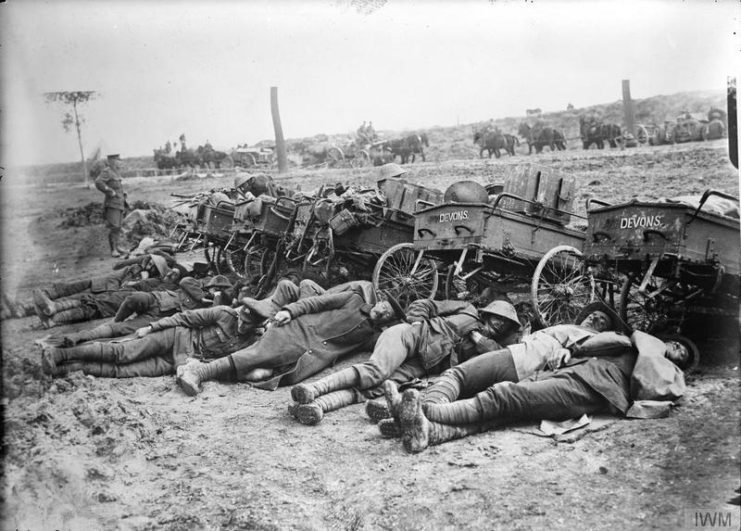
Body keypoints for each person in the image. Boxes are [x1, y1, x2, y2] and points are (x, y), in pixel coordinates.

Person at [388, 328, 690, 454]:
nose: (677, 348)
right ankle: (426, 427)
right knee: (505, 406)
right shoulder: (629, 345)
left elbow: (654, 390)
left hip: (589, 387)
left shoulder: (664, 367)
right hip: (567, 374)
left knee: (506, 396)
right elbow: (604, 341)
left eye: (683, 352)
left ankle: (423, 411)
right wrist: (572, 350)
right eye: (675, 343)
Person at [373, 301, 629, 436]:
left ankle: (417, 413)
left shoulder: (589, 338)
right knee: (458, 380)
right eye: (593, 315)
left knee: (458, 377)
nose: (594, 318)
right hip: (521, 359)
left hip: (524, 361)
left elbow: (621, 340)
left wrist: (574, 349)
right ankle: (412, 419)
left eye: (601, 320)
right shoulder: (568, 329)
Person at [288, 298, 522, 425]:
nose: (499, 324)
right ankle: (313, 389)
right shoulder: (467, 309)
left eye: (505, 324)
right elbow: (425, 304)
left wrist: (481, 341)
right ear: (487, 312)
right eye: (498, 318)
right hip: (410, 336)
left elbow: (497, 357)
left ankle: (316, 406)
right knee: (376, 371)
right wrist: (418, 323)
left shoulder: (487, 350)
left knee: (374, 389)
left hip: (423, 364)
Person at [175, 280, 406, 398]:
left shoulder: (373, 335)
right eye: (384, 306)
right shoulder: (353, 299)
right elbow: (315, 302)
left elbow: (394, 342)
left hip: (311, 354)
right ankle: (198, 373)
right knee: (257, 355)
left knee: (263, 373)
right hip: (296, 329)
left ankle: (197, 367)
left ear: (388, 319)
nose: (383, 311)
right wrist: (289, 311)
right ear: (378, 301)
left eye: (388, 314)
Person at [40, 302, 255, 379]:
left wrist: (196, 366)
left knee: (123, 372)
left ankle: (67, 370)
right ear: (241, 311)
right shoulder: (224, 314)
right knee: (121, 354)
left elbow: (229, 363)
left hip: (181, 361)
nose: (242, 326)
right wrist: (151, 327)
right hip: (174, 336)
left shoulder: (250, 341)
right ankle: (59, 355)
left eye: (248, 325)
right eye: (243, 319)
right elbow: (183, 317)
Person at [50, 276, 209, 346]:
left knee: (122, 329)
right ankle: (117, 319)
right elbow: (185, 280)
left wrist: (210, 301)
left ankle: (77, 337)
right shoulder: (198, 286)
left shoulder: (212, 305)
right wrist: (201, 296)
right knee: (134, 297)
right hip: (155, 298)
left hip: (159, 317)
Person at [31, 254, 177, 328]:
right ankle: (49, 306)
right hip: (107, 286)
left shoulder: (153, 282)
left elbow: (135, 292)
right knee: (77, 289)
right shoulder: (135, 268)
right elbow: (116, 272)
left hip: (112, 297)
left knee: (88, 305)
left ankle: (53, 314)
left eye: (153, 265)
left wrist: (139, 281)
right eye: (149, 261)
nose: (149, 264)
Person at [95, 153, 129, 257]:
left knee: (118, 227)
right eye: (117, 160)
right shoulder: (107, 172)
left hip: (119, 203)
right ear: (112, 161)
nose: (119, 162)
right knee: (114, 227)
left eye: (119, 160)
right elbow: (98, 182)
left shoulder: (116, 172)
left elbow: (117, 186)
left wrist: (123, 194)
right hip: (112, 204)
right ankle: (113, 250)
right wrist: (110, 192)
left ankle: (117, 247)